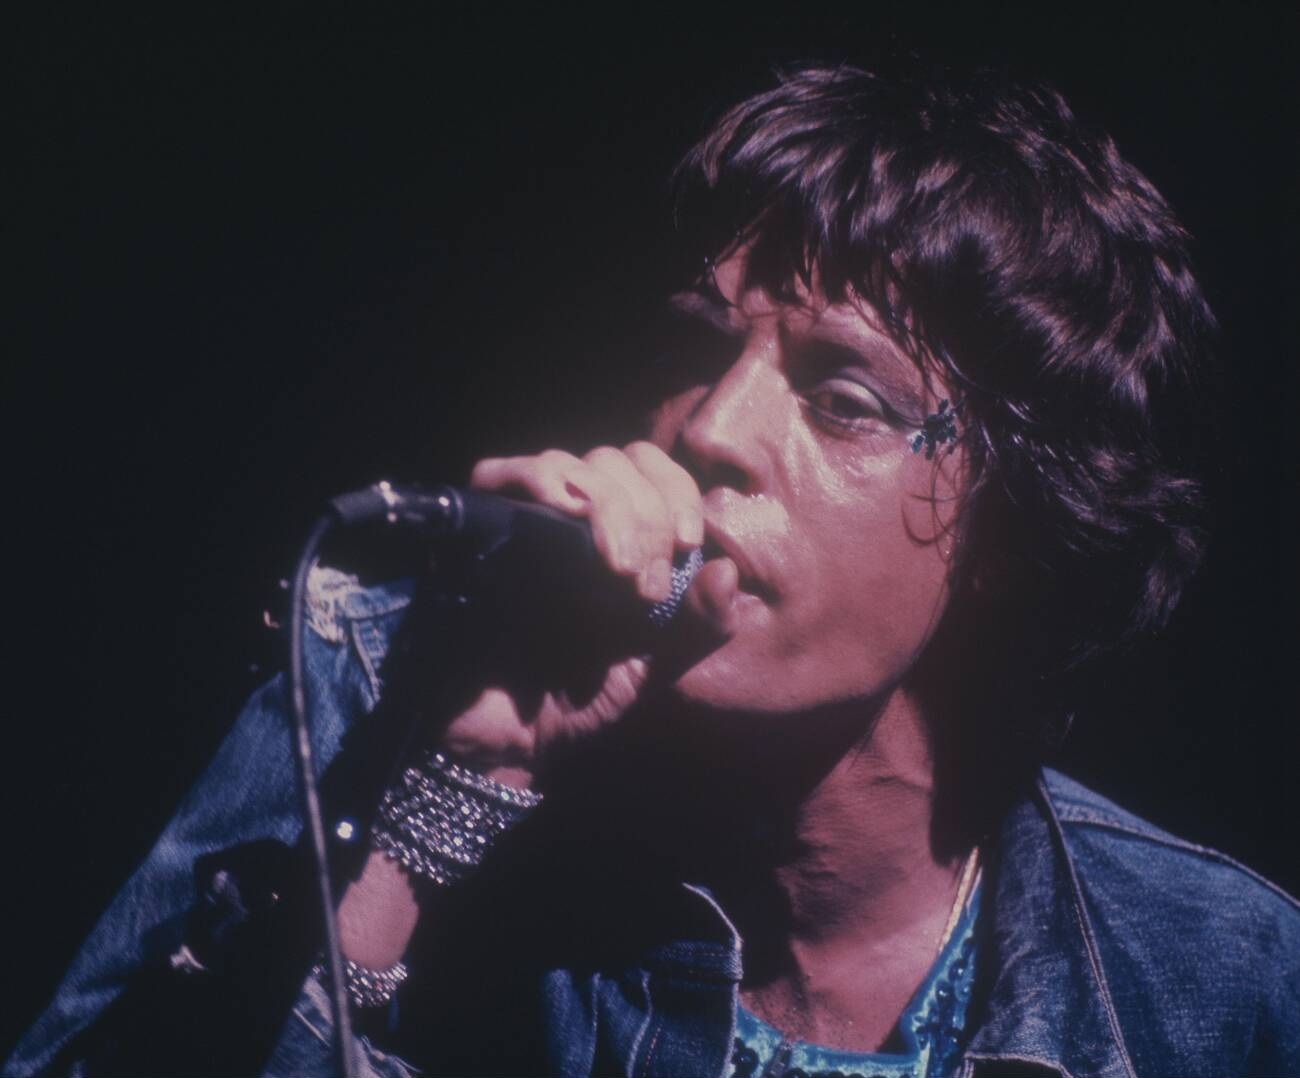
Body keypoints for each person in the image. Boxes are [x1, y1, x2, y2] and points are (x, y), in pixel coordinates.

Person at [7, 63, 1299, 1078]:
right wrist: (438, 799)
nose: (710, 426)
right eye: (698, 349)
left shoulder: (1227, 976)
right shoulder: (395, 699)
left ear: (1016, 532)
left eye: (844, 399)